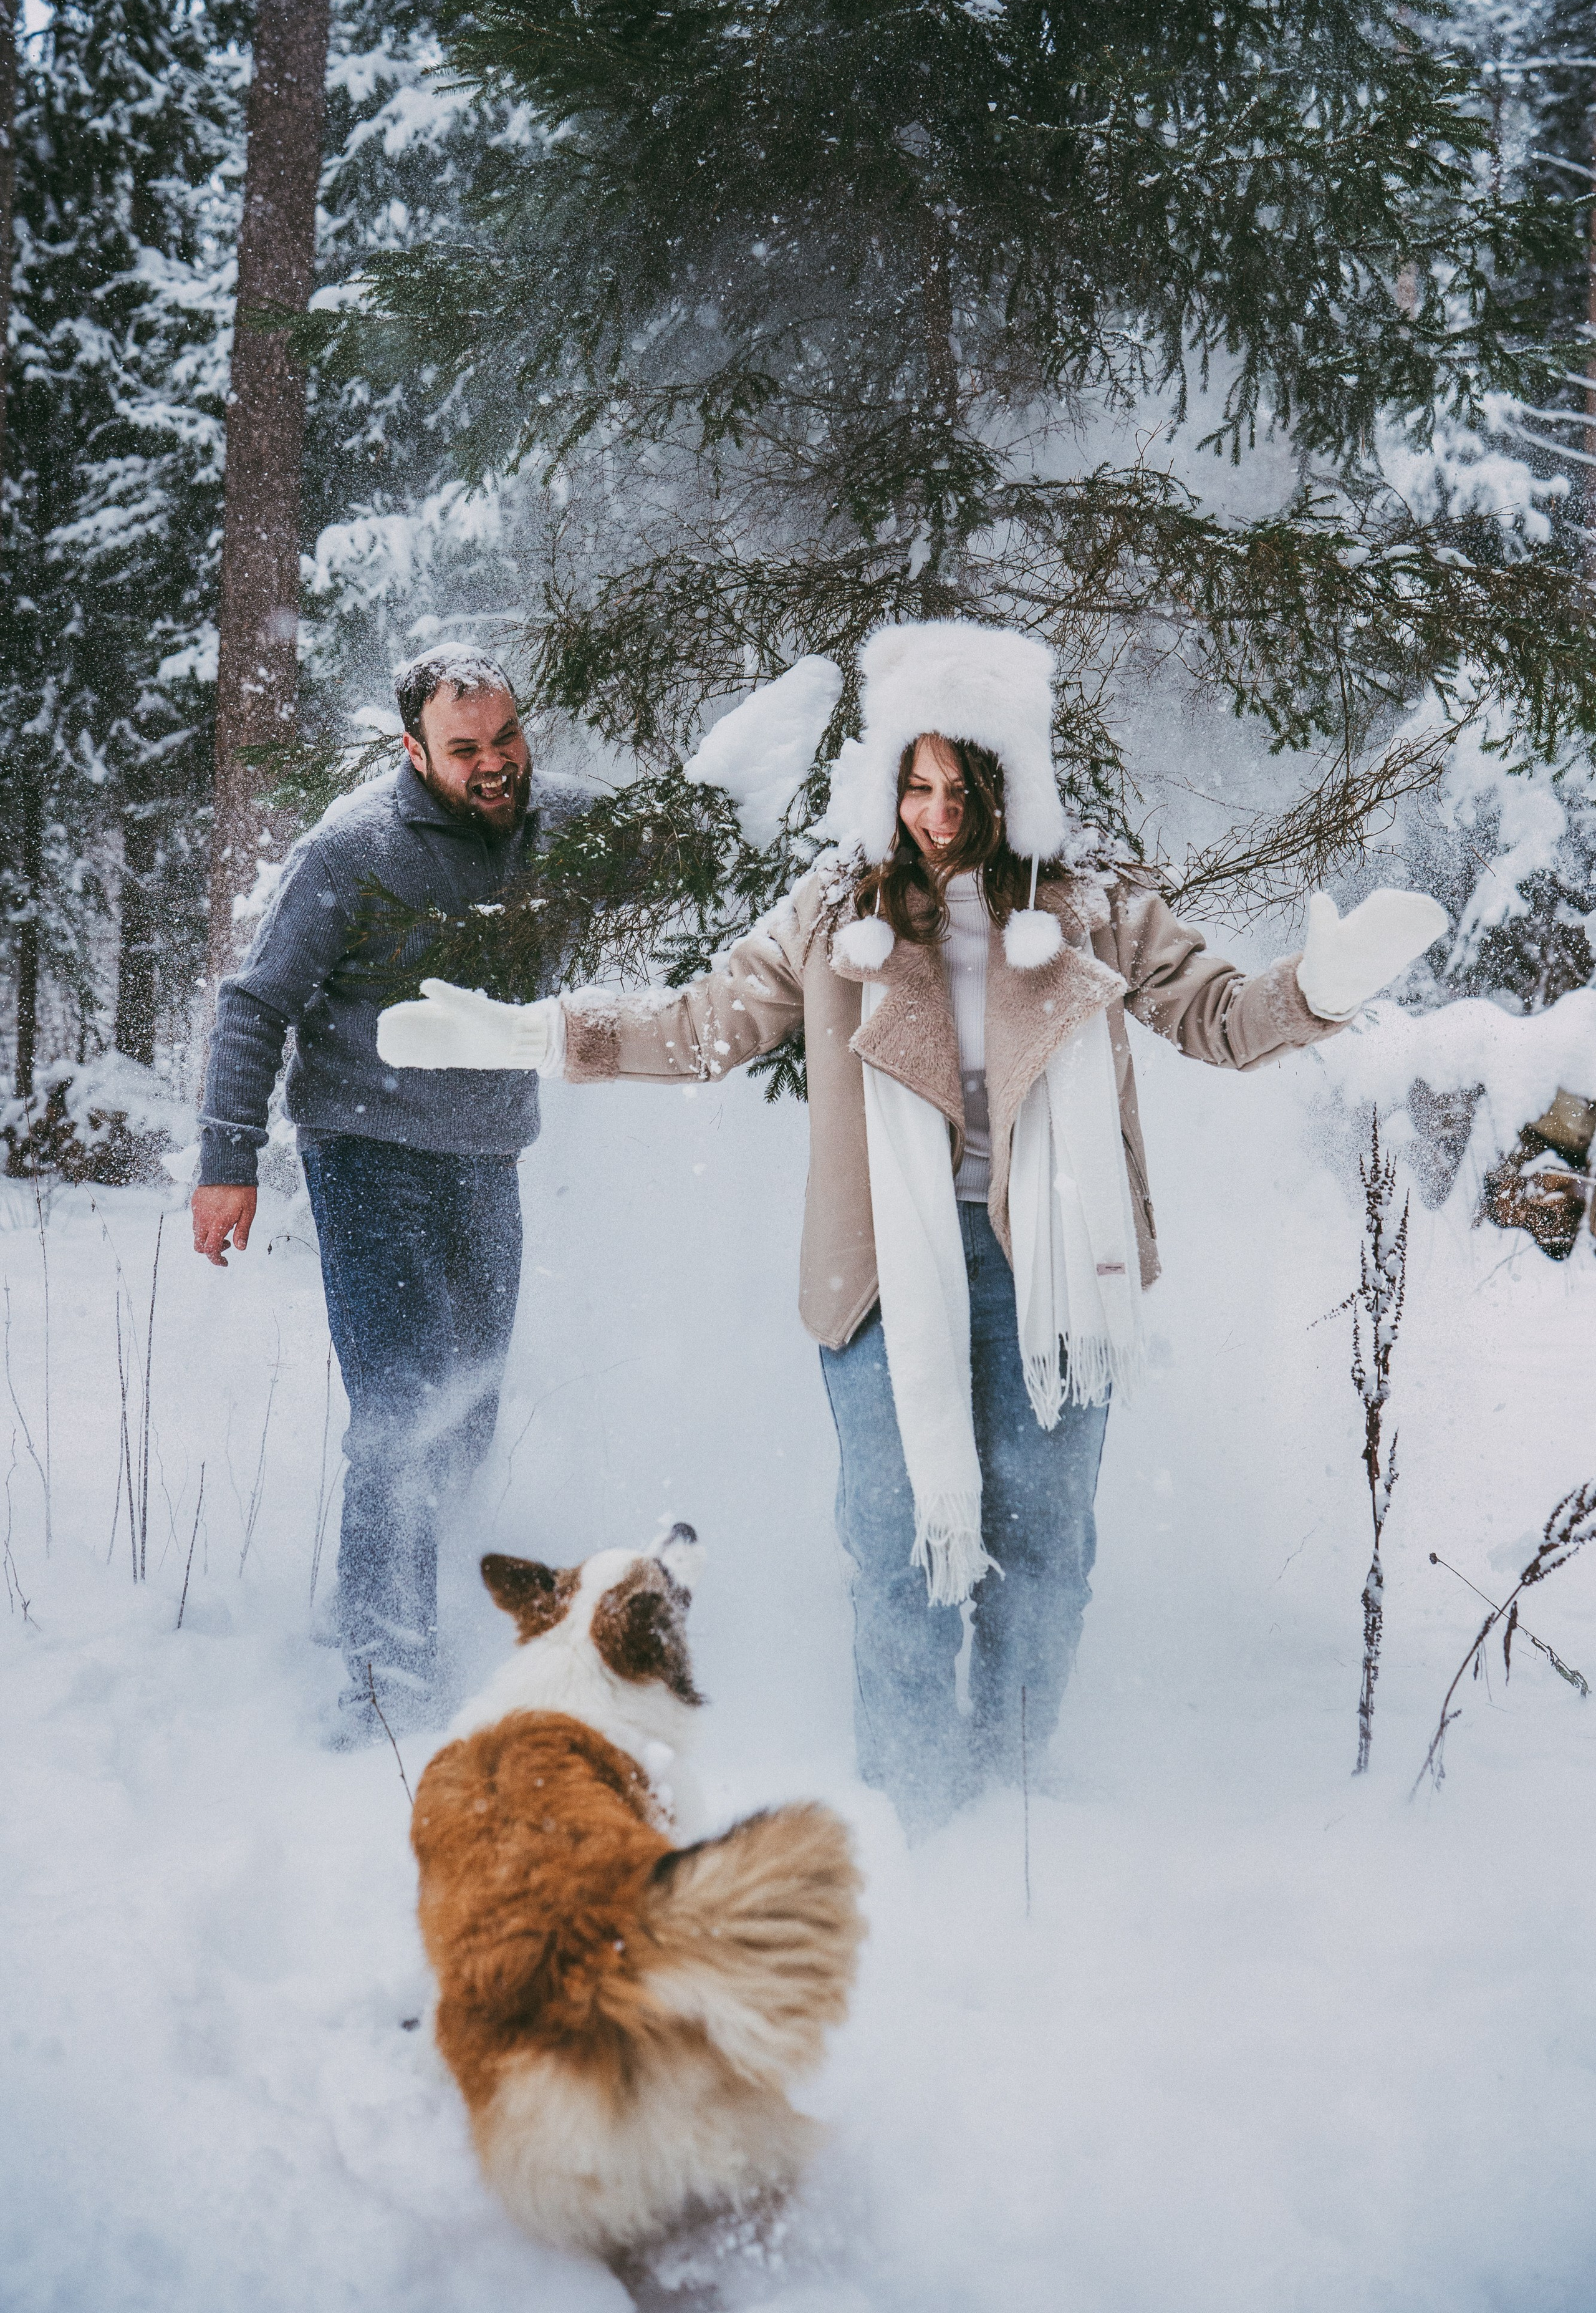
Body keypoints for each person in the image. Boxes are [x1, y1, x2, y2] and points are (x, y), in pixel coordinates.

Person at [377, 621, 1448, 1830]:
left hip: (1055, 1272)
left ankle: (1018, 1804)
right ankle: (920, 1816)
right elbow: (699, 1027)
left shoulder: (1092, 902)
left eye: (963, 788)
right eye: (916, 785)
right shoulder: (839, 910)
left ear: (1010, 784)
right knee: (899, 1556)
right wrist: (535, 1034)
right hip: (883, 1273)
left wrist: (1317, 989)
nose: (937, 816)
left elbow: (1217, 1017)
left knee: (1044, 1556)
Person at [191, 645, 595, 1744]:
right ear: (414, 751)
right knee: (403, 1411)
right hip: (367, 1154)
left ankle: (409, 1613)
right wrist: (227, 1162)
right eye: (465, 749)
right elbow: (255, 1004)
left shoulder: (559, 822)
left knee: (468, 1408)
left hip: (487, 1158)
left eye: (506, 738)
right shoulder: (352, 849)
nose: (495, 763)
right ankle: (384, 1685)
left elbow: (686, 840)